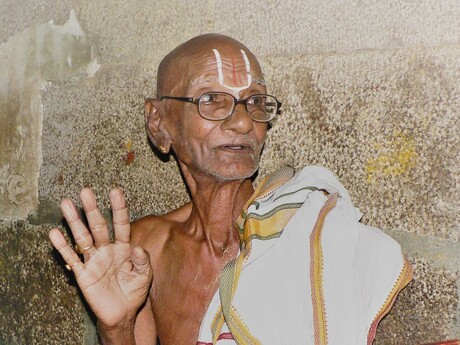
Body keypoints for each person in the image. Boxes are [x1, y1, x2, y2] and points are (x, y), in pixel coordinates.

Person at [49, 34, 412, 345]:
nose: (241, 121)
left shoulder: (303, 233)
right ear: (158, 123)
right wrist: (117, 326)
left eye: (255, 102)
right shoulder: (148, 250)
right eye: (210, 99)